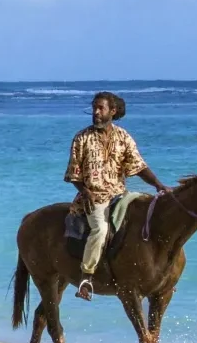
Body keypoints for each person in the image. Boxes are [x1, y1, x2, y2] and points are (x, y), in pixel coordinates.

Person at [64, 91, 167, 301]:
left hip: (120, 194)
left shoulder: (123, 137)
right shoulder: (81, 138)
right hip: (93, 198)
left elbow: (139, 166)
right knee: (101, 229)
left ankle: (160, 276)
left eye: (100, 108)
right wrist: (85, 191)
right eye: (94, 108)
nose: (95, 112)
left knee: (148, 212)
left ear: (113, 111)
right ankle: (86, 277)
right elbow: (74, 174)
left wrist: (158, 185)